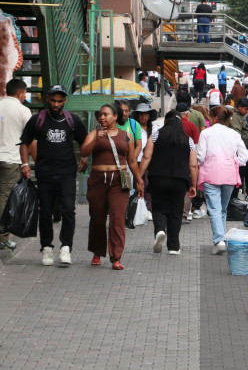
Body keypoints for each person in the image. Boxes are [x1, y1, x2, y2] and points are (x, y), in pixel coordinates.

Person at [19, 85, 88, 265]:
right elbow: (24, 142)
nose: (56, 104)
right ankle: (47, 248)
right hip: (45, 174)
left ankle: (66, 248)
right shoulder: (37, 120)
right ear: (47, 99)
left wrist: (85, 157)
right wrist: (25, 164)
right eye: (53, 100)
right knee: (46, 212)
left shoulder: (72, 120)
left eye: (59, 101)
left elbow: (85, 141)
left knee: (68, 211)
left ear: (65, 101)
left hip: (67, 173)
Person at [80, 103, 144, 270]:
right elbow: (84, 152)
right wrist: (95, 139)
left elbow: (131, 161)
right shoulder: (94, 133)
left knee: (117, 219)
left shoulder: (125, 136)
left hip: (119, 181)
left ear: (115, 116)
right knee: (98, 218)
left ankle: (116, 257)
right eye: (100, 115)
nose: (102, 117)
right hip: (98, 180)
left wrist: (139, 180)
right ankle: (96, 252)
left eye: (106, 114)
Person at [139, 111, 197, 255]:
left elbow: (146, 156)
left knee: (158, 208)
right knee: (176, 212)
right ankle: (174, 247)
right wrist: (193, 184)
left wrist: (139, 177)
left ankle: (159, 230)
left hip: (157, 178)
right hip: (180, 180)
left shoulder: (156, 135)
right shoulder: (188, 139)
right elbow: (193, 165)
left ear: (165, 122)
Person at [197, 106, 248, 254]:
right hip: (229, 174)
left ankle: (219, 240)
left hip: (210, 174)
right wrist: (232, 162)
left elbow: (200, 156)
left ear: (213, 118)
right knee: (223, 209)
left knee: (214, 209)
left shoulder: (206, 133)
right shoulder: (234, 134)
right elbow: (243, 157)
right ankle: (221, 239)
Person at [0, 79, 32, 251]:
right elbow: (29, 139)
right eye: (25, 93)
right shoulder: (23, 110)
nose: (25, 96)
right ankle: (2, 238)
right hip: (10, 160)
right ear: (20, 93)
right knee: (4, 198)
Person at [131, 103, 157, 214]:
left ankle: (147, 208)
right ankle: (134, 208)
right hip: (135, 160)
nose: (143, 117)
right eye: (141, 114)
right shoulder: (133, 128)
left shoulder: (155, 128)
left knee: (148, 185)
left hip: (149, 162)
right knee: (135, 184)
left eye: (145, 114)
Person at [230, 97, 248, 200]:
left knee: (245, 173)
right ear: (239, 107)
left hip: (242, 149)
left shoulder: (239, 116)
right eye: (245, 109)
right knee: (240, 174)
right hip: (239, 150)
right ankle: (234, 197)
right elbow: (236, 134)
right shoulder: (235, 117)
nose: (247, 112)